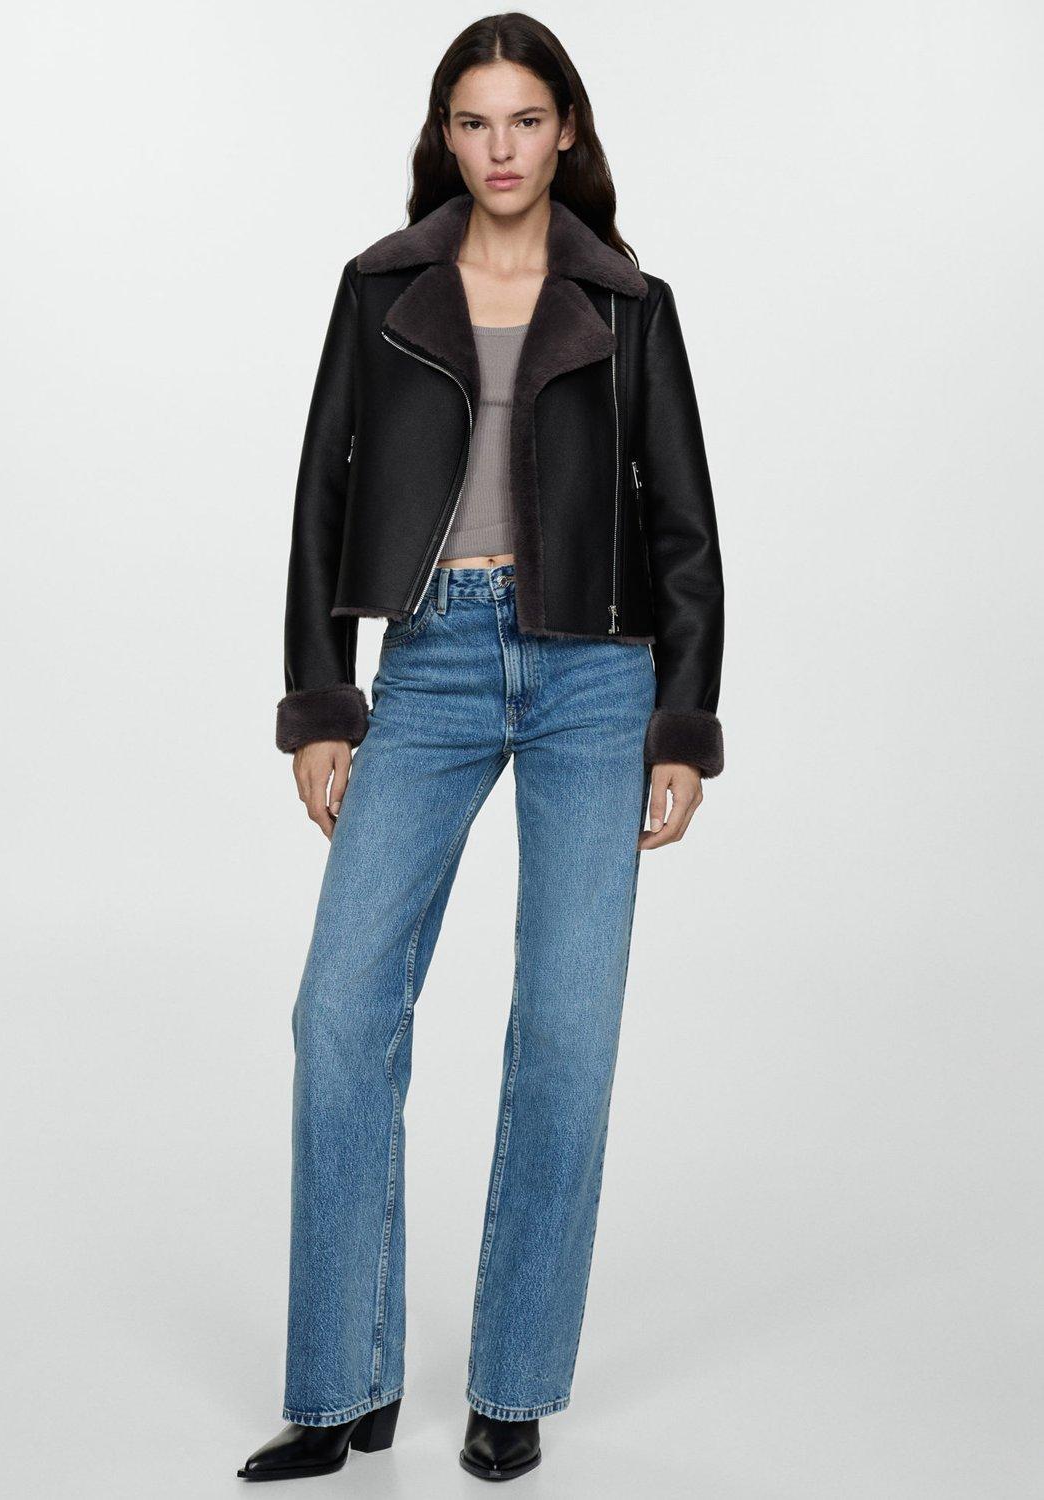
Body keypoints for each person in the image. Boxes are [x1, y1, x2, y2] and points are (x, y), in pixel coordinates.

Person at [237, 12, 725, 1485]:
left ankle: (512, 1383)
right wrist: (323, 700)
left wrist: (680, 725)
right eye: (473, 121)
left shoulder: (630, 305)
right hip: (434, 661)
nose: (500, 148)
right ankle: (342, 1386)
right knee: (339, 1013)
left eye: (524, 119)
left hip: (596, 678)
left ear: (564, 129)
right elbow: (320, 497)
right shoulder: (380, 288)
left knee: (565, 1034)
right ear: (443, 137)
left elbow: (685, 532)